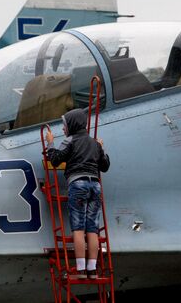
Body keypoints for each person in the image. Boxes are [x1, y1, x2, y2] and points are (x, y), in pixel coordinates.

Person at [45, 108, 110, 280]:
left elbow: (55, 159)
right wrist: (101, 148)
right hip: (95, 186)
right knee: (93, 230)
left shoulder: (70, 141)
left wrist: (50, 143)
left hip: (78, 184)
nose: (63, 129)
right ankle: (92, 270)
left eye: (64, 125)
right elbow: (105, 166)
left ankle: (80, 270)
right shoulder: (95, 144)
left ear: (72, 125)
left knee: (78, 228)